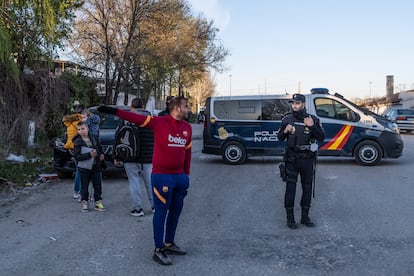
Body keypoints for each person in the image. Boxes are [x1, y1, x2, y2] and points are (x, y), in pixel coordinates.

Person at [98, 96, 192, 266]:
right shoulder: (159, 122)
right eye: (186, 106)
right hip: (161, 176)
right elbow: (134, 117)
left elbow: (188, 154)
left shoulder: (187, 128)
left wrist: (186, 176)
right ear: (176, 108)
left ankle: (169, 243)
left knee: (176, 212)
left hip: (180, 178)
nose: (189, 109)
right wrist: (112, 110)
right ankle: (158, 249)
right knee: (161, 213)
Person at [277, 94, 325, 229]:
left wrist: (312, 127)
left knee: (307, 188)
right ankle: (290, 219)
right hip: (292, 158)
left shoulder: (313, 119)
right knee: (290, 189)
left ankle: (305, 217)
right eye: (293, 103)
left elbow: (321, 137)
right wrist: (285, 131)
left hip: (307, 159)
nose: (294, 106)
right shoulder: (287, 119)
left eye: (297, 103)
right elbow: (280, 137)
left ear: (303, 104)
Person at [113, 98, 154, 217]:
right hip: (148, 157)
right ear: (143, 106)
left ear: (132, 107)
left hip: (129, 156)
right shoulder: (150, 120)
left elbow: (117, 137)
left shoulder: (126, 120)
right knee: (150, 182)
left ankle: (138, 209)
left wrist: (116, 156)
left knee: (134, 182)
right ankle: (155, 206)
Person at [73, 120, 106, 212]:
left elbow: (99, 148)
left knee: (97, 185)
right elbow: (77, 156)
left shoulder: (94, 138)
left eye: (83, 128)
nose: (81, 131)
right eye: (79, 129)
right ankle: (85, 202)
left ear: (87, 128)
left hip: (96, 165)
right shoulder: (77, 142)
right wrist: (89, 155)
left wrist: (101, 155)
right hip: (84, 167)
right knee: (84, 186)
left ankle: (98, 202)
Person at [62, 101, 84, 199]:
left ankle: (78, 191)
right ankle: (78, 191)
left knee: (79, 169)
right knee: (81, 170)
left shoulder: (69, 123)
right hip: (78, 148)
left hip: (71, 148)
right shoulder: (79, 123)